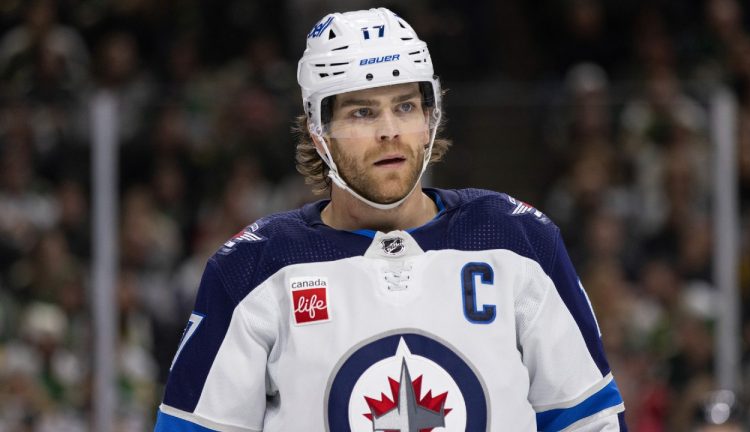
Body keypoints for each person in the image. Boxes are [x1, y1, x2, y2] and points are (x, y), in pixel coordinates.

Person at [154, 7, 627, 431]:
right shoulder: (254, 267)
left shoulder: (516, 239)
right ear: (318, 130)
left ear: (431, 114)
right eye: (362, 112)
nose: (389, 131)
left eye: (405, 106)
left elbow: (590, 420)